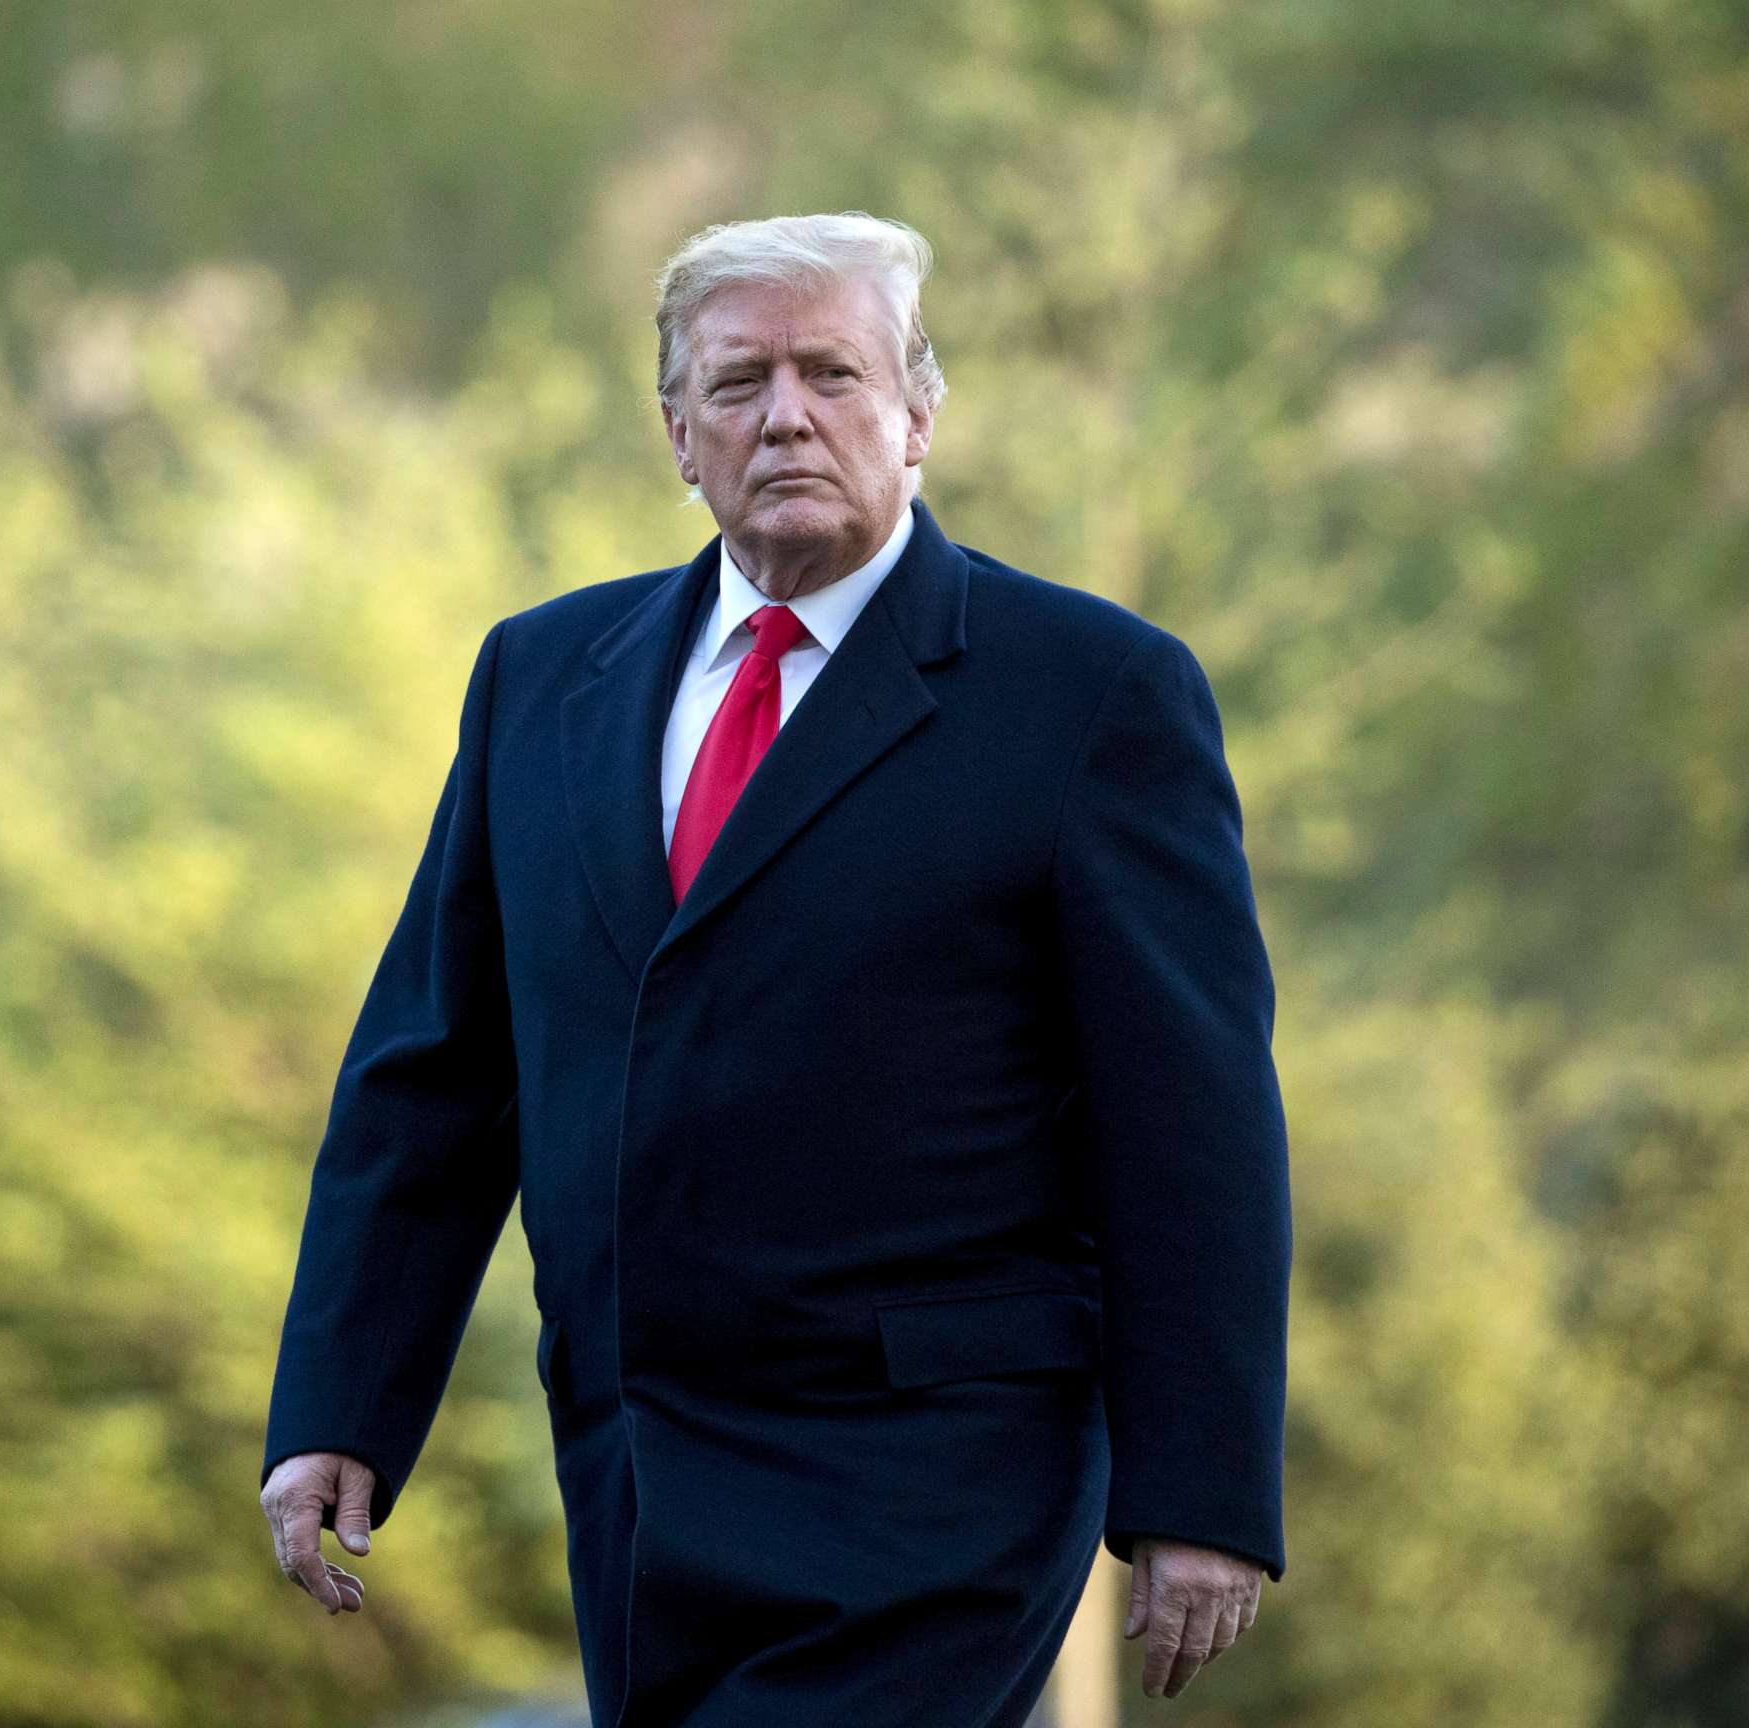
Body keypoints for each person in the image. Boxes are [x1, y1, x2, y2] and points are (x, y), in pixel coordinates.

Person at [260, 211, 1291, 1724]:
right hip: (637, 1478)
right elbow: (432, 1073)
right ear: (678, 432)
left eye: (833, 373)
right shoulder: (541, 682)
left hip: (940, 1480)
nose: (787, 414)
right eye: (739, 383)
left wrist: (1199, 1489)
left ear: (919, 411)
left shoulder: (1091, 696)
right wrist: (341, 1400)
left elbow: (1192, 1121)